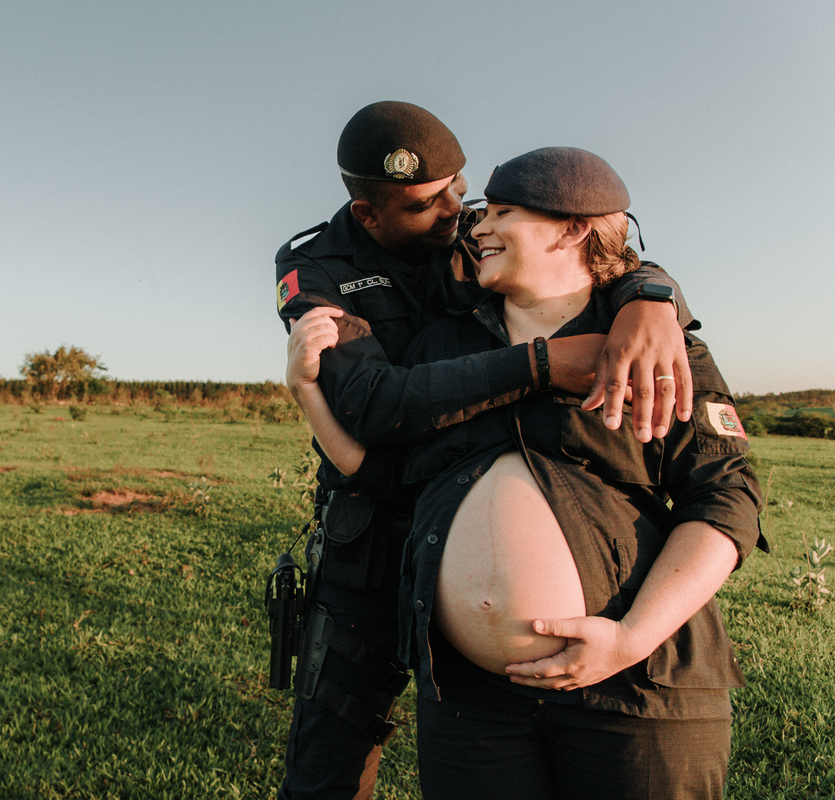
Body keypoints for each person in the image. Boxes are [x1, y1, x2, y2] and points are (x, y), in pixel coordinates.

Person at [287, 146, 766, 799]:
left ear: (572, 227)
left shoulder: (653, 342)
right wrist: (306, 391)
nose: (474, 226)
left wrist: (629, 637)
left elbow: (726, 495)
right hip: (472, 704)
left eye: (502, 212)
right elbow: (380, 471)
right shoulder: (443, 343)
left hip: (635, 687)